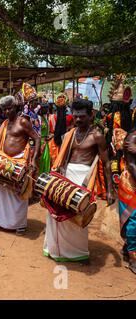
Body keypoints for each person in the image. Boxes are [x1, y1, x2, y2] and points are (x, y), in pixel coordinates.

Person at [43, 99, 115, 262]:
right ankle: (55, 250)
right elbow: (63, 158)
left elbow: (107, 163)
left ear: (91, 116)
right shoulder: (70, 134)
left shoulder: (97, 136)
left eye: (81, 116)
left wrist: (110, 190)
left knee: (77, 215)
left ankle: (77, 253)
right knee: (55, 213)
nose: (77, 120)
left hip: (83, 179)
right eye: (75, 116)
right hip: (66, 176)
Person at [0, 96, 40, 234]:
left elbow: (37, 138)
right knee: (0, 191)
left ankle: (19, 224)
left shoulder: (23, 122)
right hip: (4, 161)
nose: (7, 111)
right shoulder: (5, 123)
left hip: (19, 161)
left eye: (10, 108)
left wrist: (34, 160)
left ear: (16, 108)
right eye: (5, 109)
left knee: (17, 193)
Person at [118, 128, 136, 273]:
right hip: (132, 182)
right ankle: (133, 257)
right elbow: (131, 165)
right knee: (133, 219)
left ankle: (127, 248)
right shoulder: (132, 139)